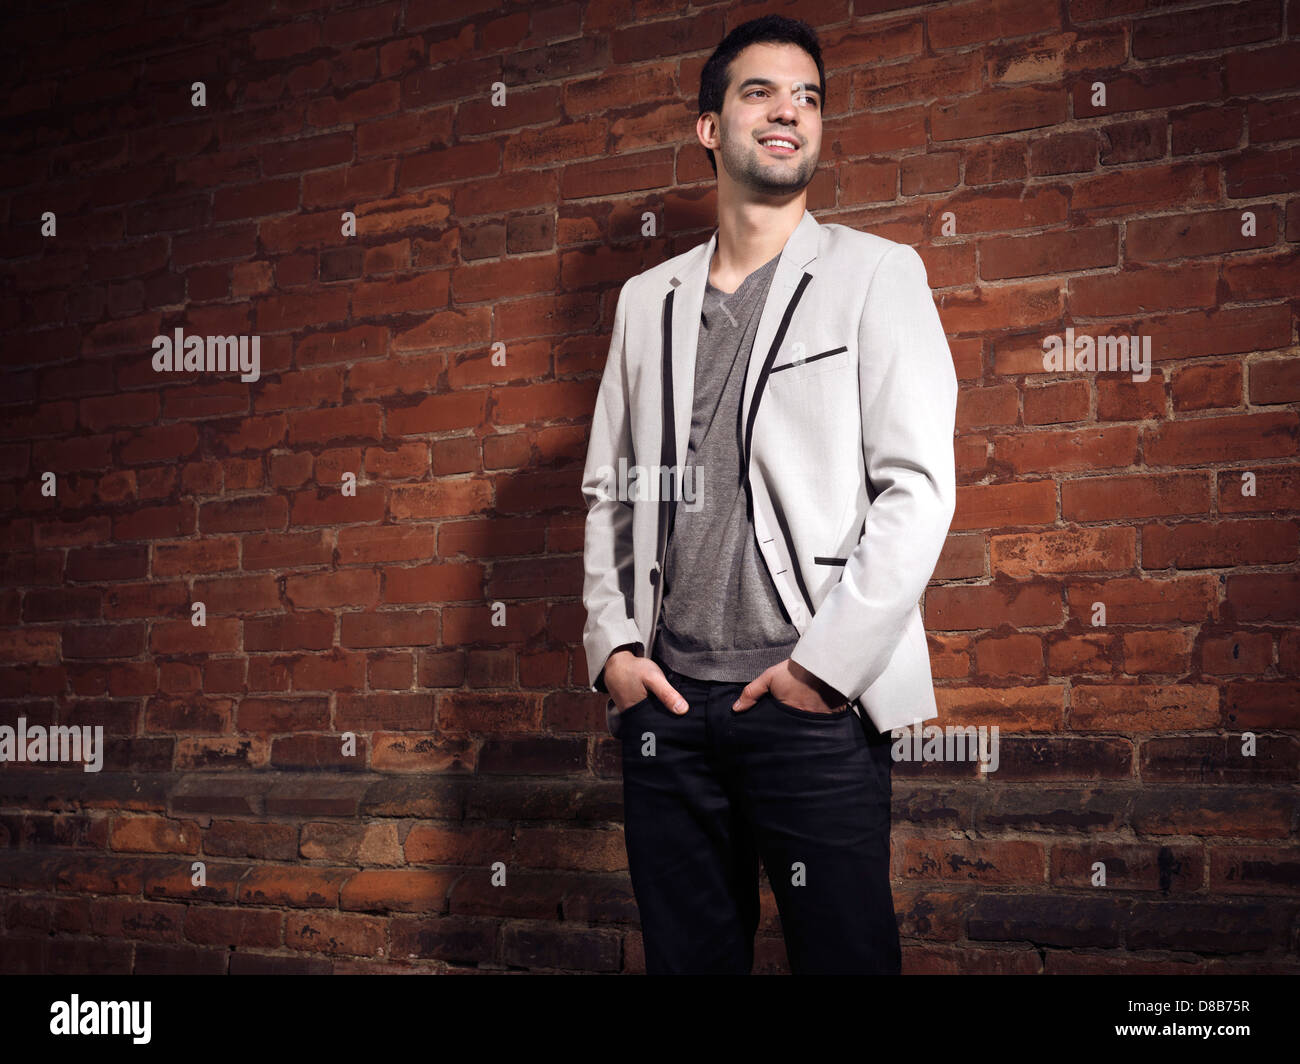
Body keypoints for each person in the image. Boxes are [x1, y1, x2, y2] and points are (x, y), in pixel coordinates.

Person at [579, 14, 958, 974]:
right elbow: (610, 493)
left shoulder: (879, 275)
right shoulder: (644, 302)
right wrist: (615, 651)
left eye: (809, 97)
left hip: (805, 705)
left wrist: (822, 674)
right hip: (666, 709)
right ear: (710, 126)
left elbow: (916, 490)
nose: (790, 110)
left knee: (845, 960)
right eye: (761, 91)